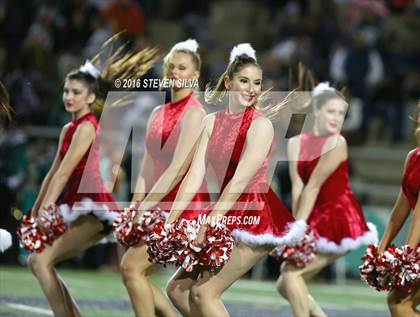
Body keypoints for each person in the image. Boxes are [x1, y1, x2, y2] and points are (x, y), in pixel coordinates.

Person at [164, 43, 306, 317]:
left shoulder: (260, 125)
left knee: (204, 293)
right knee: (177, 290)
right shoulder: (210, 121)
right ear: (228, 82)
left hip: (255, 215)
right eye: (244, 81)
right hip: (227, 212)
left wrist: (208, 222)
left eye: (257, 83)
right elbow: (194, 176)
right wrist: (170, 221)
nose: (252, 88)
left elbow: (240, 181)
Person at [24, 44, 157, 317]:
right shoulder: (68, 128)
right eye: (66, 91)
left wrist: (48, 207)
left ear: (91, 97)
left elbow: (64, 173)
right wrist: (38, 206)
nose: (69, 97)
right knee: (37, 262)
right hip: (76, 205)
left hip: (92, 208)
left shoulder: (86, 128)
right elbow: (53, 171)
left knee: (40, 261)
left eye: (76, 92)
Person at [120, 39, 209, 317]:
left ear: (195, 76)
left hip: (185, 209)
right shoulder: (158, 112)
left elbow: (178, 169)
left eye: (182, 67)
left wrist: (146, 206)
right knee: (138, 273)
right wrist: (136, 204)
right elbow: (147, 164)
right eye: (171, 66)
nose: (175, 72)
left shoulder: (195, 113)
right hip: (158, 204)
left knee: (132, 268)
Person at [276, 82, 378, 317]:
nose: (336, 118)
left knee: (291, 275)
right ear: (317, 111)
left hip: (338, 217)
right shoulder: (295, 143)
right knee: (286, 283)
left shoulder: (337, 142)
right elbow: (298, 186)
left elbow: (313, 186)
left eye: (341, 113)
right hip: (313, 215)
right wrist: (293, 224)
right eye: (331, 111)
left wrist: (297, 229)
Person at [376, 107, 419, 317]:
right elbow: (402, 206)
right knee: (399, 301)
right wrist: (382, 245)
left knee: (399, 302)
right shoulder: (413, 156)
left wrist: (408, 253)